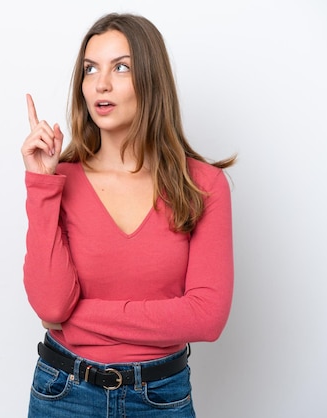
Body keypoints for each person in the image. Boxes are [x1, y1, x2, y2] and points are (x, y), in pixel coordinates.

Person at [20, 12, 235, 417]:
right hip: (64, 394)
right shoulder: (58, 179)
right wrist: (42, 186)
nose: (101, 83)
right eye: (90, 69)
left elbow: (206, 317)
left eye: (121, 67)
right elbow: (51, 306)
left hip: (161, 398)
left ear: (152, 80)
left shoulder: (203, 184)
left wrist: (78, 316)